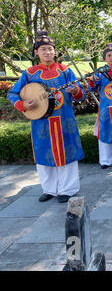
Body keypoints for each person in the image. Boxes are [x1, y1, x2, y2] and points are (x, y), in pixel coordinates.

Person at [7, 31, 85, 203]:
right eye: (43, 49)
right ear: (36, 52)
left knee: (67, 154)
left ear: (54, 51)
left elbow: (81, 95)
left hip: (65, 121)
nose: (47, 53)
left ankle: (67, 189)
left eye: (50, 49)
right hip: (41, 122)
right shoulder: (30, 73)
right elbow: (12, 93)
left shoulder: (65, 71)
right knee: (43, 154)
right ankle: (49, 189)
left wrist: (76, 91)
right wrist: (22, 105)